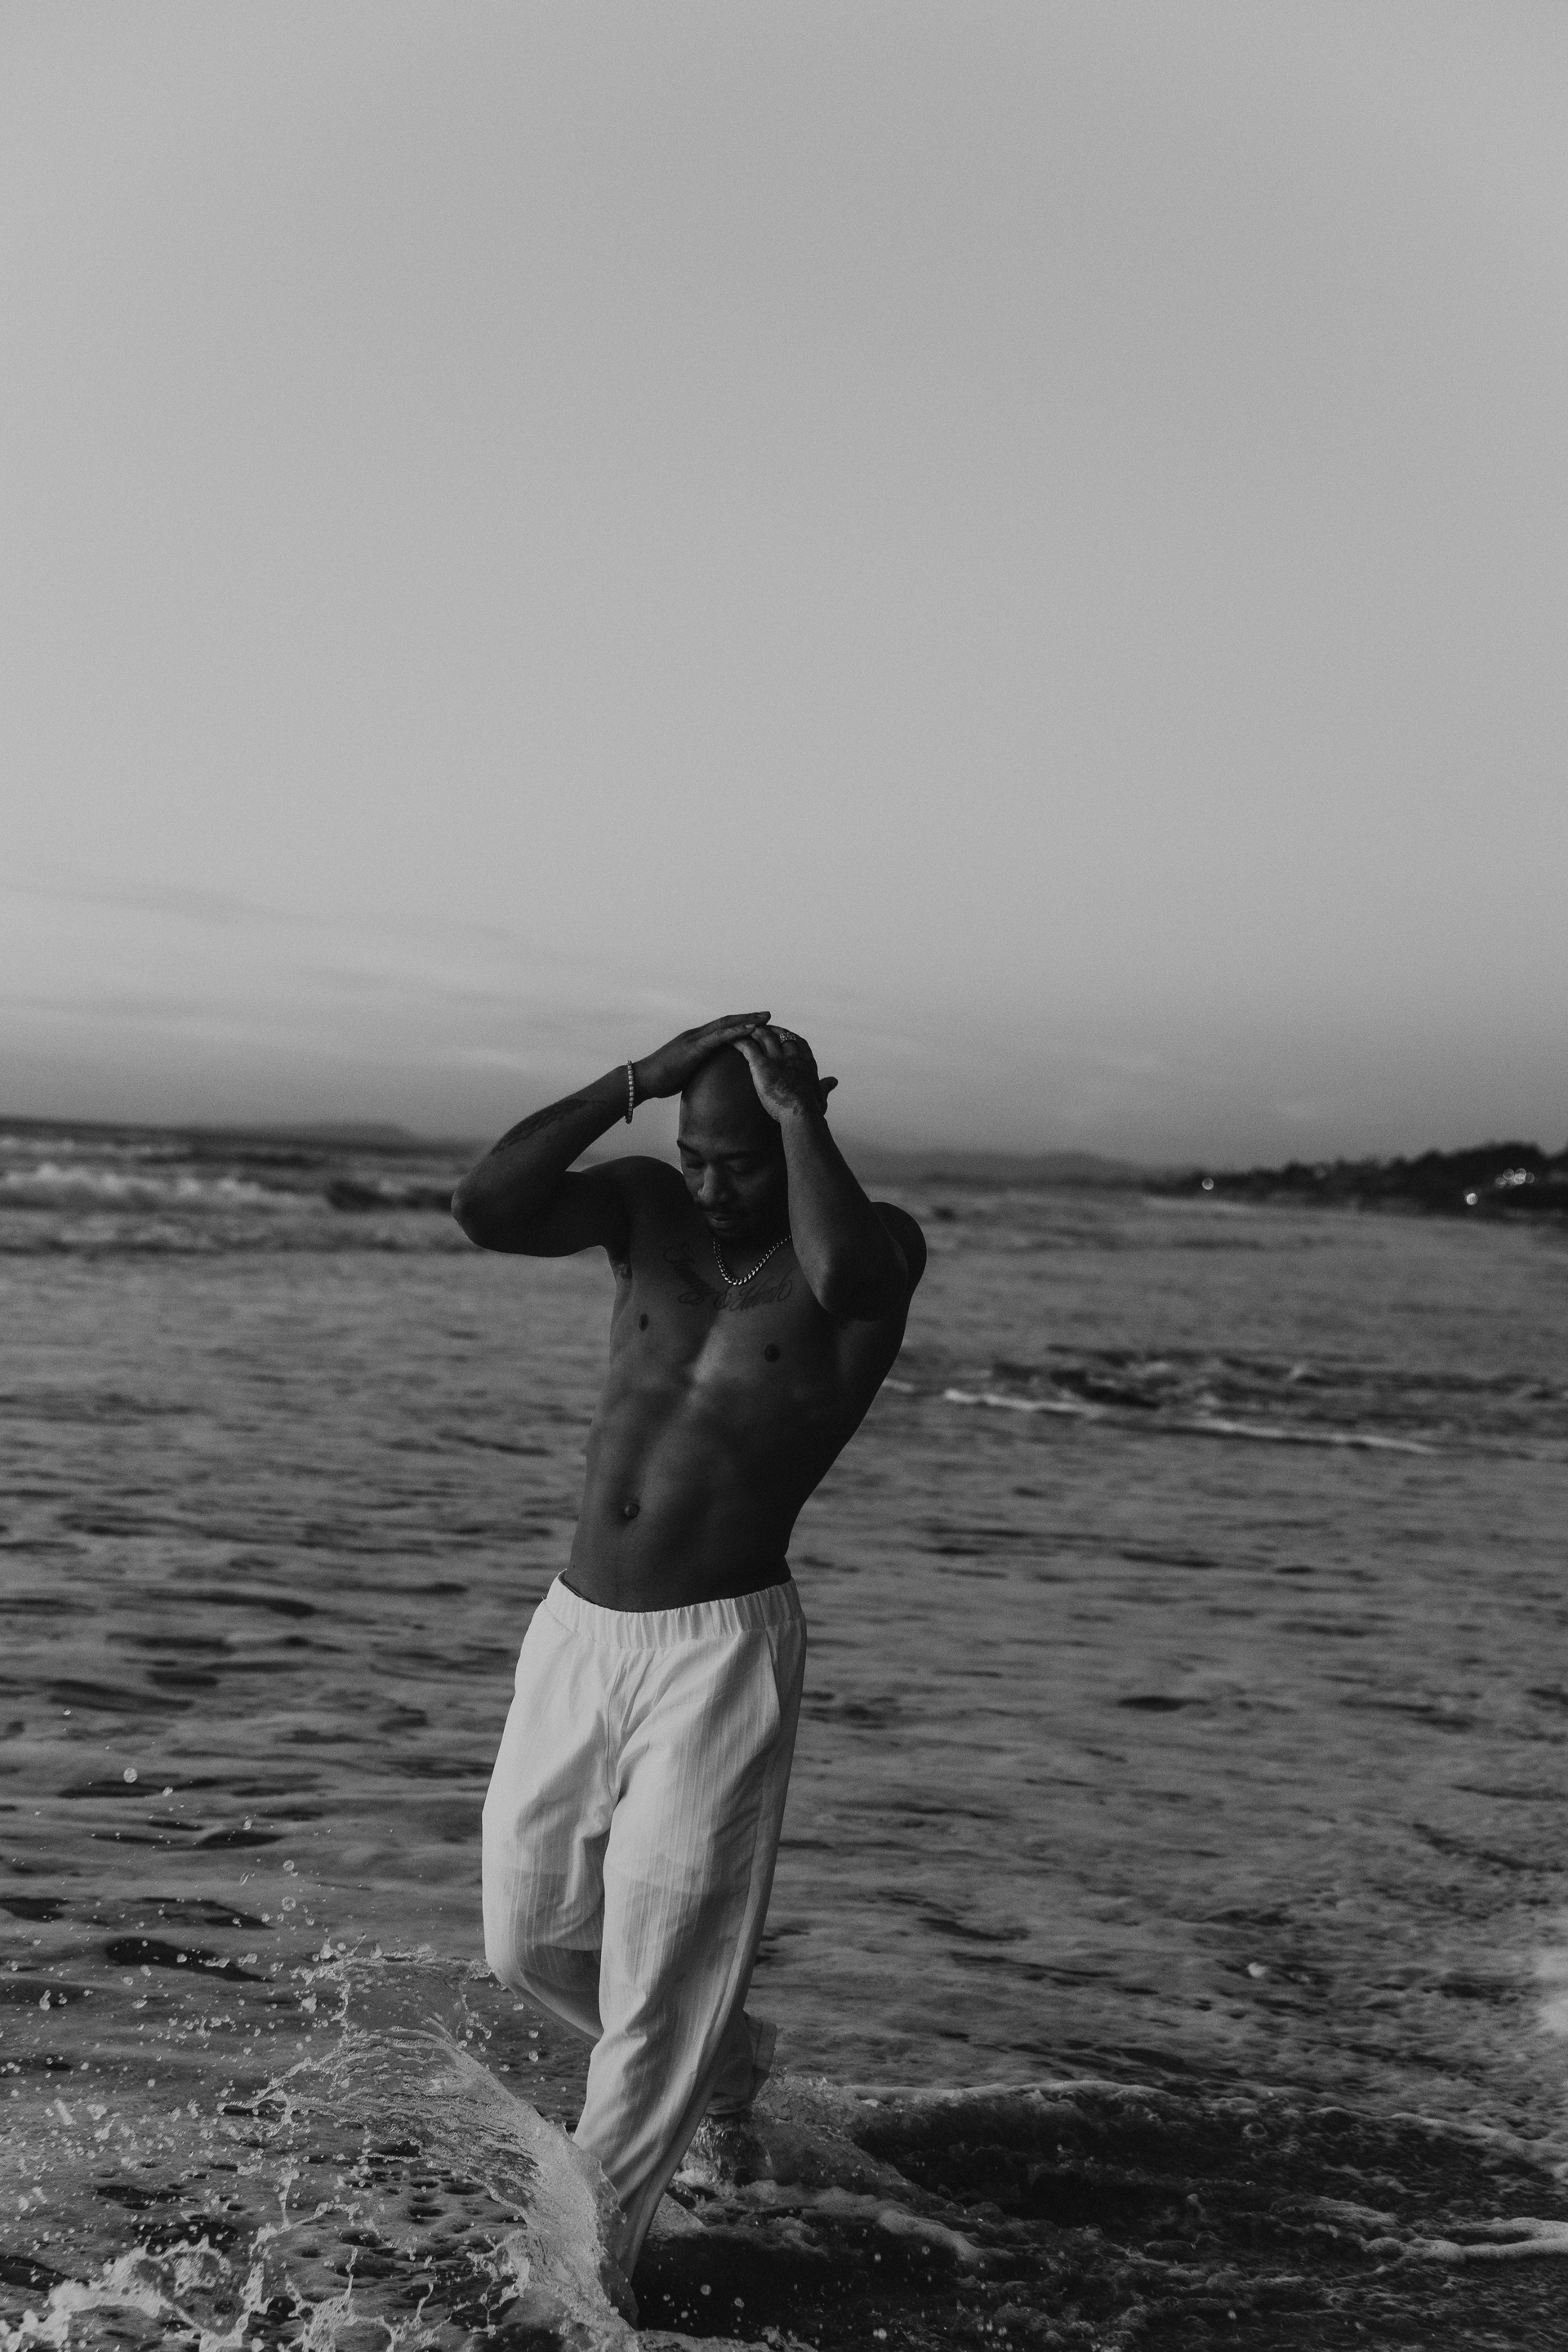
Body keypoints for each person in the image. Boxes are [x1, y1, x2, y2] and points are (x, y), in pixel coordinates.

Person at [452, 1013, 926, 2275]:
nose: (712, 1187)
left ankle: (577, 2282)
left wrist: (799, 1118)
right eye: (696, 1155)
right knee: (526, 1938)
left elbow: (854, 1286)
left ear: (803, 1124)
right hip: (577, 1634)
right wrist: (637, 1080)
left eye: (742, 1162)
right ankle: (721, 2059)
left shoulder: (873, 1241)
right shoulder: (647, 1211)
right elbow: (486, 1208)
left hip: (718, 1655)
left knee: (660, 1986)